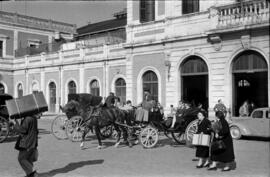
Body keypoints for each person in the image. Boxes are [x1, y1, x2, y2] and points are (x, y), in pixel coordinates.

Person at [14, 113, 41, 177]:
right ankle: (29, 174)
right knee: (28, 159)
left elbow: (23, 130)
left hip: (27, 143)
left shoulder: (27, 118)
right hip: (32, 142)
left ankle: (33, 173)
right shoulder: (33, 117)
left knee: (21, 158)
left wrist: (16, 124)